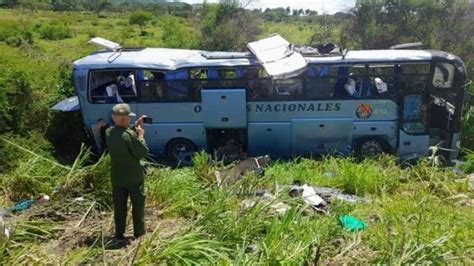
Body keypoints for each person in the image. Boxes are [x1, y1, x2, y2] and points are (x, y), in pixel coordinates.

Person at [106, 103, 149, 242]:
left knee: (119, 207)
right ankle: (139, 233)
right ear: (125, 119)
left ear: (113, 118)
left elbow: (122, 134)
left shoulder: (109, 133)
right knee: (137, 204)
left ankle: (119, 234)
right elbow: (141, 152)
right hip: (134, 177)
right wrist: (141, 136)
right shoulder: (130, 136)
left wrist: (135, 125)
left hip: (117, 177)